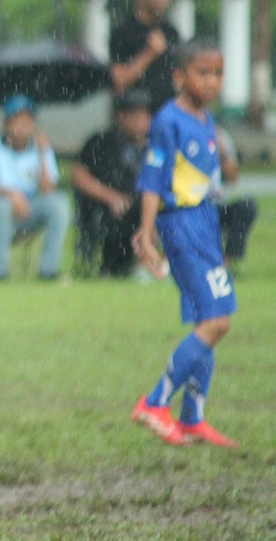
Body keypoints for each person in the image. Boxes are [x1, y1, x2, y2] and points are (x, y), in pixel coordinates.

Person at [130, 38, 237, 448]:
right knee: (217, 321)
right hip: (182, 225)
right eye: (203, 72)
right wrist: (146, 229)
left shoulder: (206, 120)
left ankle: (192, 418)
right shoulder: (167, 121)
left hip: (204, 223)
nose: (212, 82)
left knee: (205, 321)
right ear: (180, 76)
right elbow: (154, 178)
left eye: (218, 73)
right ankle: (154, 402)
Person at [0, 94, 70, 281]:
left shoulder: (40, 149)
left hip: (25, 213)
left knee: (58, 203)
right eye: (17, 120)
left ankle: (48, 270)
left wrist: (42, 153)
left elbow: (47, 190)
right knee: (3, 206)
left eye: (27, 121)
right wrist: (11, 195)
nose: (22, 126)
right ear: (6, 122)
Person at [70, 88, 152, 277]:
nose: (138, 119)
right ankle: (120, 269)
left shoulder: (156, 145)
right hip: (108, 209)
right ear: (120, 116)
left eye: (143, 113)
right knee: (122, 216)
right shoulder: (102, 142)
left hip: (148, 206)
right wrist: (110, 196)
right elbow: (78, 176)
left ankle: (156, 266)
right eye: (132, 114)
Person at [109, 0, 181, 114]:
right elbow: (119, 82)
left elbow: (178, 77)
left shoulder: (171, 32)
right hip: (136, 115)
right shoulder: (123, 33)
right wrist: (149, 53)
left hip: (166, 112)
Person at [214, 125, 257, 271]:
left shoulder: (220, 135)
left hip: (216, 203)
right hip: (190, 203)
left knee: (247, 206)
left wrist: (221, 152)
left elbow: (233, 178)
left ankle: (225, 262)